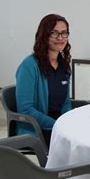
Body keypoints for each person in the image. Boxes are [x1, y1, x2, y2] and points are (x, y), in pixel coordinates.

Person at [15, 14, 72, 147]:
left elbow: (65, 102)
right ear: (44, 35)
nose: (60, 38)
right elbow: (25, 109)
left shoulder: (63, 64)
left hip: (59, 127)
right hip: (38, 130)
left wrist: (69, 122)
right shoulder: (29, 65)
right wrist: (56, 125)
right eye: (54, 33)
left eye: (64, 33)